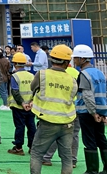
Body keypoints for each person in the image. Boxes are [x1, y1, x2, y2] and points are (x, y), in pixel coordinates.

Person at [28, 44, 77, 174]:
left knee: (37, 153)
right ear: (67, 62)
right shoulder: (72, 80)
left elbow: (33, 88)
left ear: (51, 59)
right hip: (67, 122)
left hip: (47, 122)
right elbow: (72, 96)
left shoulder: (42, 75)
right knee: (66, 157)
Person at [72, 44, 107, 173]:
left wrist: (93, 113)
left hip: (88, 112)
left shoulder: (84, 74)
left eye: (76, 58)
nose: (74, 60)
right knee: (101, 139)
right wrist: (103, 113)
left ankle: (92, 170)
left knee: (89, 141)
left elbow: (87, 96)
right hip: (101, 111)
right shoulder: (100, 73)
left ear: (82, 59)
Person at [7, 52, 36, 156]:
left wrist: (22, 103)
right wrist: (31, 102)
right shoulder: (31, 75)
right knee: (31, 126)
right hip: (30, 106)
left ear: (15, 64)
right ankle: (32, 147)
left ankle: (18, 148)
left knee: (20, 126)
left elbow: (15, 91)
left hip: (18, 106)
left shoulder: (15, 76)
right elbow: (36, 90)